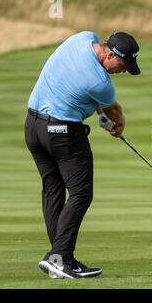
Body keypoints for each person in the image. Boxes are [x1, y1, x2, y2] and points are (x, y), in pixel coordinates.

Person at [24, 31, 140, 279]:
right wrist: (116, 127)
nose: (123, 71)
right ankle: (59, 257)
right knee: (81, 193)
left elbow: (80, 84)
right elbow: (115, 113)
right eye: (122, 65)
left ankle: (60, 260)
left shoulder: (82, 38)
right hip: (62, 132)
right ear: (109, 55)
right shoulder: (102, 84)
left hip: (33, 126)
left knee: (53, 191)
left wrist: (98, 112)